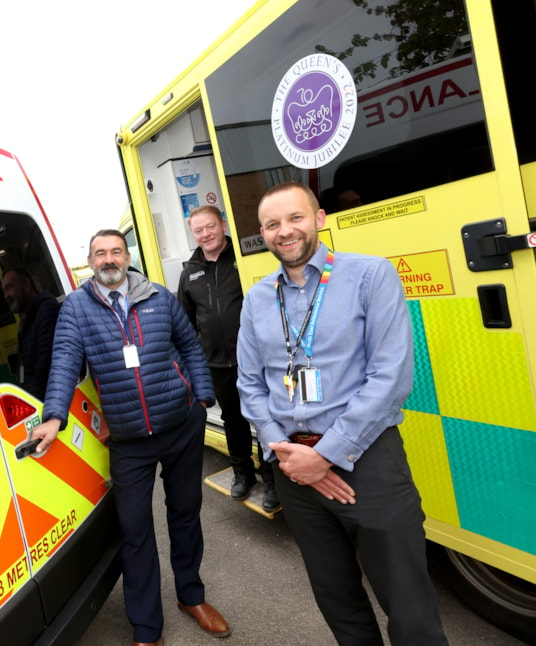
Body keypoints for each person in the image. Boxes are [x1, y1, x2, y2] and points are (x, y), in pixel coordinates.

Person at [236, 182, 448, 645]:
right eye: (272, 224)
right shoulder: (256, 299)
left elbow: (391, 378)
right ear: (262, 234)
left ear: (320, 218)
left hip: (368, 463)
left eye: (295, 218)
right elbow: (250, 386)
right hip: (293, 470)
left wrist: (326, 455)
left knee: (410, 610)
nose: (284, 231)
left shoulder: (371, 276)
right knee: (338, 602)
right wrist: (290, 456)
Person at [31, 229, 229, 646]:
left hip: (180, 424)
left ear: (126, 257)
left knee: (185, 514)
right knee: (135, 529)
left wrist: (202, 395)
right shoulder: (77, 310)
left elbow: (190, 345)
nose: (108, 259)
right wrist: (53, 417)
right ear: (90, 261)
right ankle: (146, 626)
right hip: (128, 440)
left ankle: (191, 596)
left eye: (115, 251)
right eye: (100, 253)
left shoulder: (157, 296)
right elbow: (65, 361)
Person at [178, 205, 278, 513]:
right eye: (199, 230)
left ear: (223, 224)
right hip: (217, 364)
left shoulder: (245, 258)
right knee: (232, 420)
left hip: (254, 360)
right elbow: (184, 320)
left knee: (264, 419)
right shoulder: (190, 271)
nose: (206, 234)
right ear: (193, 234)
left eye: (210, 226)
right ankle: (242, 475)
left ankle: (272, 480)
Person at [1, 266, 59, 399]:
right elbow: (22, 364)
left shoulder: (47, 309)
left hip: (49, 398)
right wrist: (21, 388)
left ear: (26, 285)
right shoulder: (24, 321)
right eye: (4, 291)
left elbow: (46, 360)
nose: (6, 296)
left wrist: (33, 397)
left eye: (9, 288)